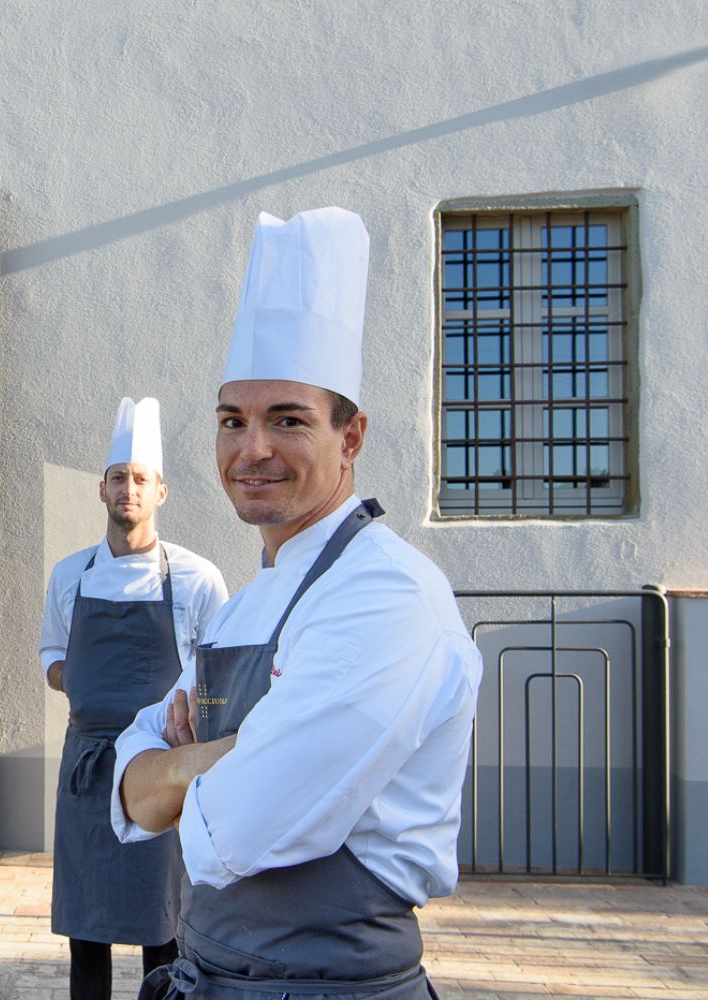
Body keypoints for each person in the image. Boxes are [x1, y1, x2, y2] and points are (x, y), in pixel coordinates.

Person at [113, 208, 483, 999]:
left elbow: (238, 830)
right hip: (208, 975)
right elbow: (131, 795)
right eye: (232, 421)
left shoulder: (387, 597)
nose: (253, 449)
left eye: (289, 420)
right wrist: (211, 760)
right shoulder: (245, 605)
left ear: (351, 438)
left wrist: (177, 773)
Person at [42, 396, 228, 1000]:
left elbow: (217, 679)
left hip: (159, 769)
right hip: (87, 770)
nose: (129, 489)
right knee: (84, 933)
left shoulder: (198, 579)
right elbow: (51, 659)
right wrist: (85, 688)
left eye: (140, 479)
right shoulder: (69, 574)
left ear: (161, 493)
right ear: (101, 490)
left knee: (163, 929)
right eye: (119, 479)